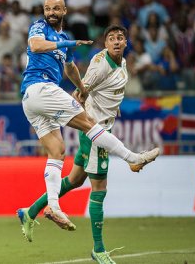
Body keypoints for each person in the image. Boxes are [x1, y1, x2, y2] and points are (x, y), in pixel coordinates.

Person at [17, 0, 159, 231]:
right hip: (40, 88)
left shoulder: (63, 38)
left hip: (32, 99)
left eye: (55, 8)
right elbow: (35, 46)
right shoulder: (40, 27)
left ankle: (51, 206)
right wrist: (68, 44)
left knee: (57, 151)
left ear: (64, 10)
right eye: (47, 8)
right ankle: (132, 158)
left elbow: (70, 67)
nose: (51, 12)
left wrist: (82, 89)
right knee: (90, 124)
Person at [19, 25, 142, 264]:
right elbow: (80, 91)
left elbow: (106, 91)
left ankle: (29, 212)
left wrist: (109, 106)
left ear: (126, 42)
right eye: (111, 38)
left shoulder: (122, 63)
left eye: (120, 38)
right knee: (99, 189)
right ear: (105, 43)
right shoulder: (101, 63)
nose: (116, 42)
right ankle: (99, 249)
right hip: (95, 131)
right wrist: (83, 103)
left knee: (74, 180)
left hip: (102, 125)